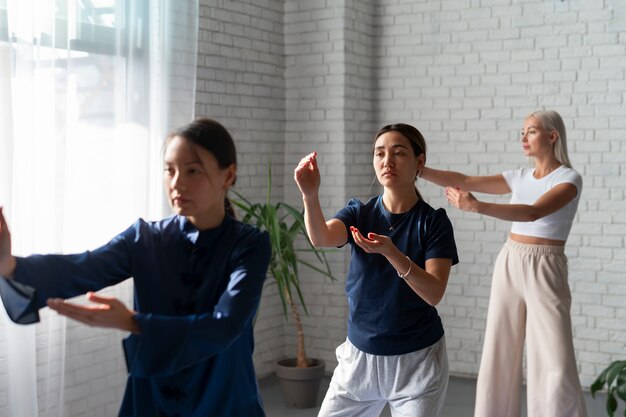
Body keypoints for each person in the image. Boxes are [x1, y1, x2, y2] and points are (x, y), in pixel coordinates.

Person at [0, 118, 271, 417]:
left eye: (192, 170)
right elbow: (82, 267)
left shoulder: (249, 244)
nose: (177, 183)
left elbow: (227, 323)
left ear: (228, 175)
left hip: (224, 395)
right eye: (169, 170)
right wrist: (9, 264)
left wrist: (134, 322)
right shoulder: (144, 238)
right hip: (153, 398)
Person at [421, 110, 587, 417]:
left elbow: (533, 213)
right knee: (500, 350)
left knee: (555, 358)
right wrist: (420, 169)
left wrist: (477, 206)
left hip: (546, 266)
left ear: (552, 136)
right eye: (522, 132)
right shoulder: (519, 177)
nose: (523, 138)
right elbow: (464, 179)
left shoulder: (569, 178)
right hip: (511, 260)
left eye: (531, 131)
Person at [294, 123, 459, 417]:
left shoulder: (433, 222)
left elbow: (434, 292)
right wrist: (310, 194)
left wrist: (392, 252)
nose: (387, 161)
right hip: (359, 359)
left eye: (398, 153)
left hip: (417, 362)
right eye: (379, 153)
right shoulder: (360, 212)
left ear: (419, 162)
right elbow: (321, 237)